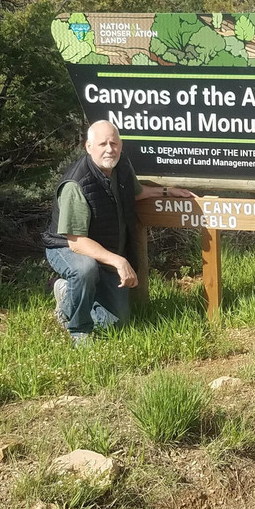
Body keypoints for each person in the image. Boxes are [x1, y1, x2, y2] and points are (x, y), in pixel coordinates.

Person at [41, 120, 193, 344]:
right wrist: (119, 261)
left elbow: (136, 193)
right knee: (85, 269)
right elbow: (77, 242)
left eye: (114, 143)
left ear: (121, 145)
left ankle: (74, 296)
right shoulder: (76, 183)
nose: (109, 149)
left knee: (116, 323)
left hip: (104, 250)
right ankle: (78, 329)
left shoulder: (121, 166)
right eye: (102, 143)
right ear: (88, 147)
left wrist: (167, 191)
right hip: (67, 247)